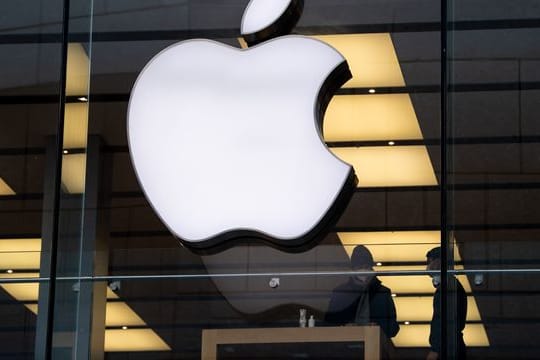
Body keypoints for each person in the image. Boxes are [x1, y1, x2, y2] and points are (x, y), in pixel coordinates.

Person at [325, 245, 399, 339]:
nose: (363, 270)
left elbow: (393, 328)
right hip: (346, 345)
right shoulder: (341, 293)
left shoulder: (383, 293)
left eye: (366, 266)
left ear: (371, 268)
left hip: (374, 345)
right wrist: (345, 327)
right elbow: (329, 324)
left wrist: (377, 327)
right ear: (353, 269)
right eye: (359, 267)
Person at [426, 247, 468, 360]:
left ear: (439, 262)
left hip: (448, 347)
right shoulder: (453, 286)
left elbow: (442, 320)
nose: (427, 268)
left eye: (429, 262)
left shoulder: (448, 289)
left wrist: (435, 349)